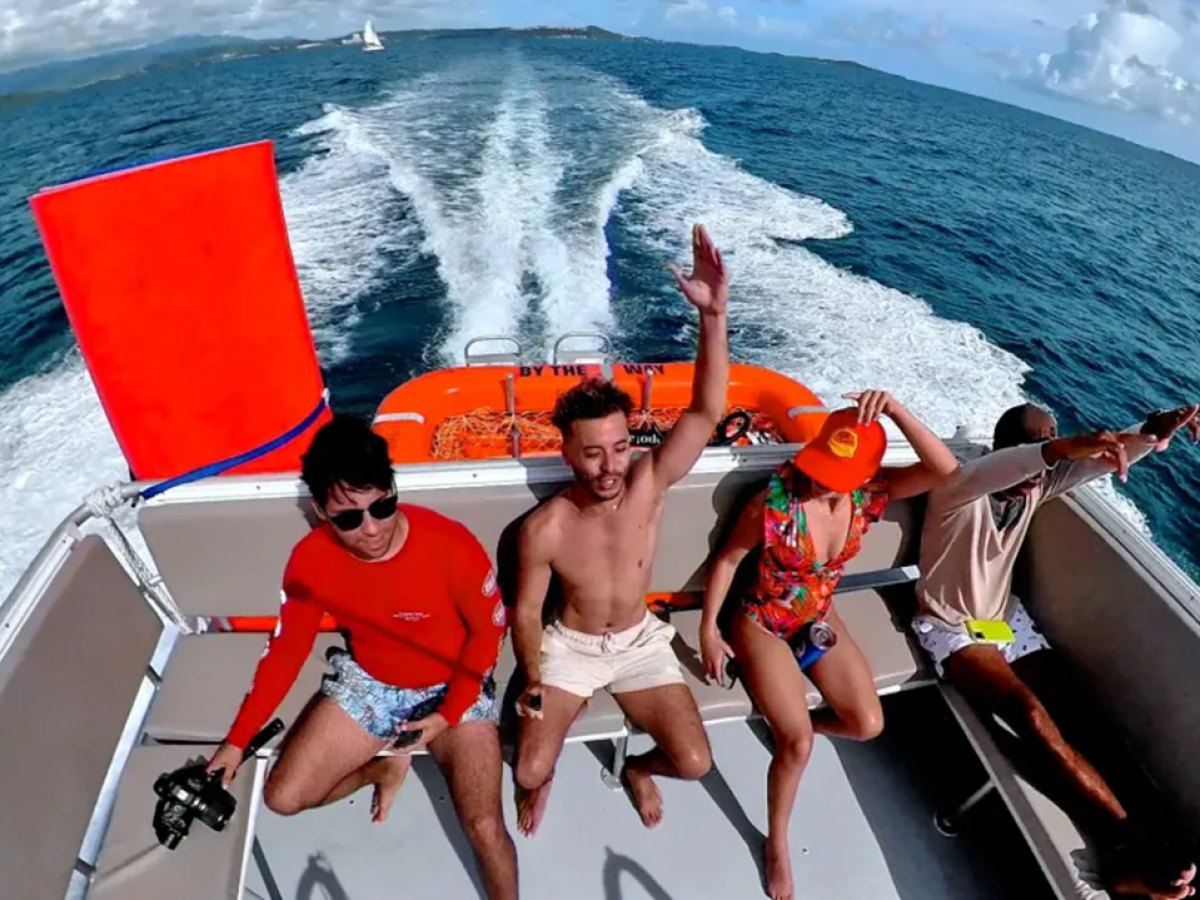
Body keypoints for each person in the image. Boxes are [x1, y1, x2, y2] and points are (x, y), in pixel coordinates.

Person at [205, 415, 518, 900]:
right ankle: (381, 766)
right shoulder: (310, 561)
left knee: (484, 827)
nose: (371, 529)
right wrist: (236, 742)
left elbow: (488, 633)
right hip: (373, 683)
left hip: (455, 684)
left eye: (382, 506)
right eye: (349, 518)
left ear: (393, 489)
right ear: (321, 511)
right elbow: (287, 652)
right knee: (283, 798)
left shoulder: (449, 544)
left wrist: (448, 714)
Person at [912, 401, 1200, 900]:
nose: (1037, 469)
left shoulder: (1035, 488)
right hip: (951, 625)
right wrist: (1049, 451)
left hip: (1002, 619)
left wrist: (1151, 431)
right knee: (1029, 714)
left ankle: (1161, 831)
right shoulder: (960, 487)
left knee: (1081, 713)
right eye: (1035, 445)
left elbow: (1094, 462)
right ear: (1005, 448)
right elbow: (1030, 462)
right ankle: (1122, 850)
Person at [512, 224, 729, 838]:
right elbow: (527, 612)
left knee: (695, 761)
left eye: (619, 447)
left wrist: (713, 314)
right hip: (570, 651)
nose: (610, 467)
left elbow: (708, 411)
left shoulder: (649, 483)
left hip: (639, 643)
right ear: (567, 455)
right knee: (527, 770)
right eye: (592, 454)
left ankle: (638, 768)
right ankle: (547, 779)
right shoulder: (545, 527)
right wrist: (532, 674)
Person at [701, 392, 960, 900]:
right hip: (762, 619)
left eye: (838, 475)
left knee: (868, 724)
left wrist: (898, 411)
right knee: (798, 745)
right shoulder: (773, 505)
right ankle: (776, 842)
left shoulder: (870, 495)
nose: (822, 481)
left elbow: (946, 470)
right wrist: (708, 630)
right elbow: (729, 561)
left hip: (817, 615)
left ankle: (790, 725)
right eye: (821, 467)